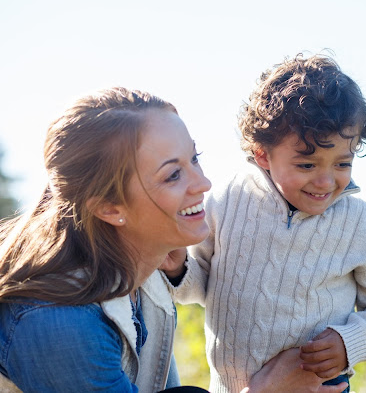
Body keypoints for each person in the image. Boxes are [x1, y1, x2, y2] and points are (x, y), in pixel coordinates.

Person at [0, 87, 346, 393]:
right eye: (173, 175)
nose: (203, 183)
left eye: (194, 159)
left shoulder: (148, 274)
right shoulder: (58, 323)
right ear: (108, 207)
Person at [163, 55, 366, 393]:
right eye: (307, 165)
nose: (326, 181)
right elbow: (202, 284)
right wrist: (178, 269)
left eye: (342, 163)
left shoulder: (360, 224)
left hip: (320, 387)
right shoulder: (226, 201)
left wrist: (348, 342)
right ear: (262, 155)